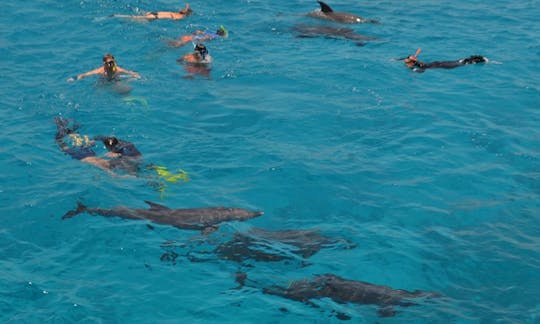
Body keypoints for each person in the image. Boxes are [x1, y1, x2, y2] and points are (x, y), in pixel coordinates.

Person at [54, 117, 142, 174]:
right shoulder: (105, 161)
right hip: (86, 154)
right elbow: (111, 173)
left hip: (85, 154)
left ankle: (63, 127)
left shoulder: (104, 161)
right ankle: (64, 127)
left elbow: (111, 172)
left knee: (69, 143)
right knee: (73, 143)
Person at [402, 48, 488, 73]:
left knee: (461, 63)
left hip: (442, 65)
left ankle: (478, 60)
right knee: (460, 62)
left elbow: (420, 71)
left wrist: (411, 69)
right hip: (440, 64)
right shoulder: (419, 65)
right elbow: (420, 69)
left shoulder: (420, 66)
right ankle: (476, 59)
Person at [76, 54, 141, 81]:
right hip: (104, 81)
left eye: (112, 62)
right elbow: (85, 74)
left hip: (115, 80)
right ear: (104, 64)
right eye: (109, 63)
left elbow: (129, 72)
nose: (111, 65)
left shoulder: (117, 69)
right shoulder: (100, 70)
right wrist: (76, 78)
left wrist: (136, 75)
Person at [113, 3, 192, 20]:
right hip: (153, 13)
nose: (182, 9)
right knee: (136, 12)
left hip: (154, 16)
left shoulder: (179, 16)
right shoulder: (178, 13)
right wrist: (187, 7)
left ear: (186, 12)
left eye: (184, 9)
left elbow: (175, 19)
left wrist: (187, 8)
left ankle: (117, 16)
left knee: (133, 17)